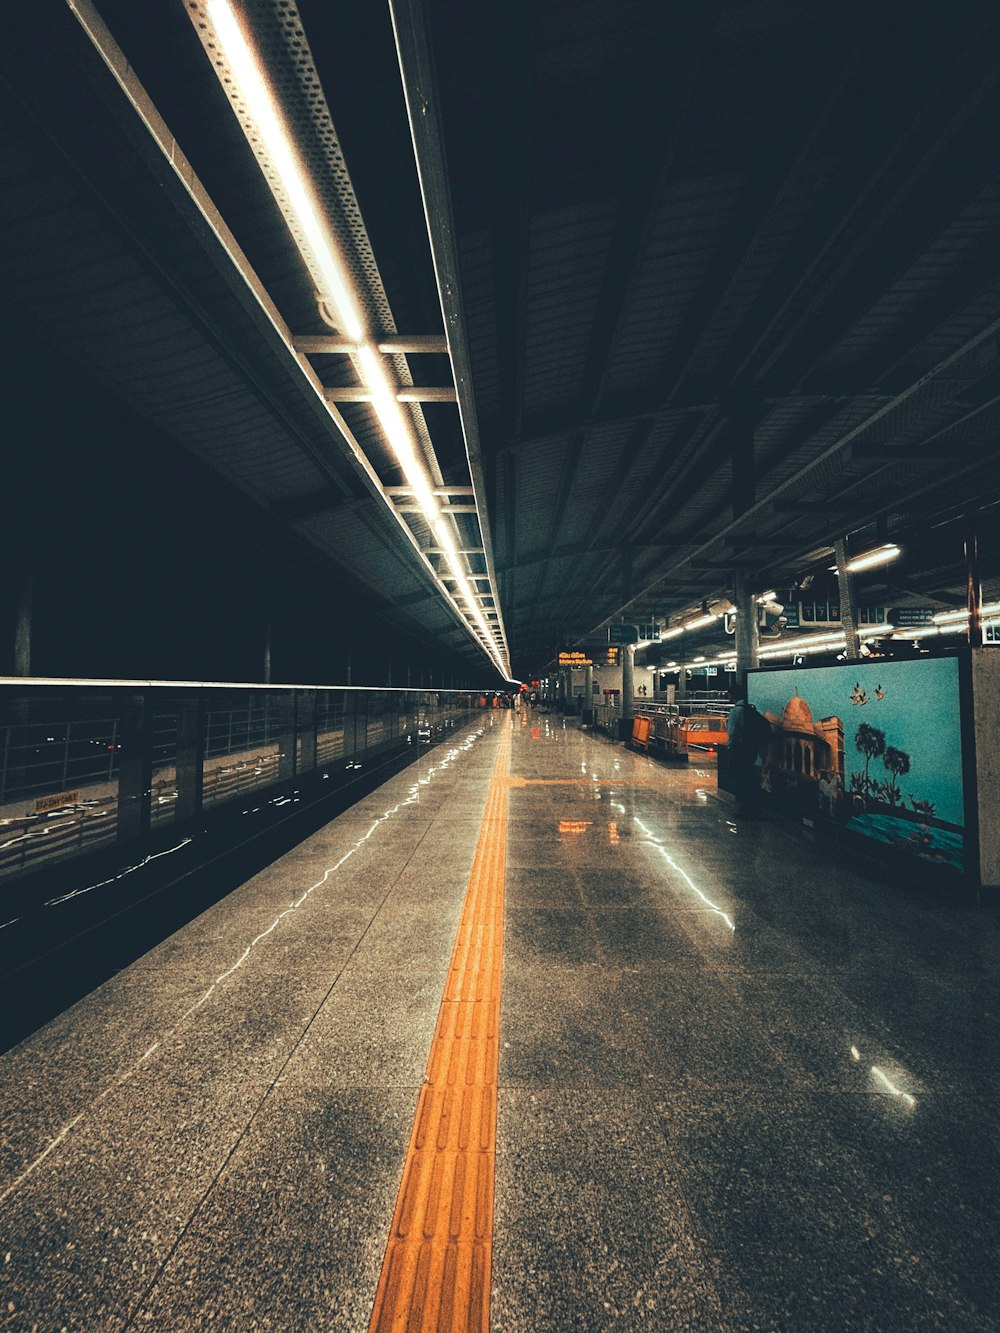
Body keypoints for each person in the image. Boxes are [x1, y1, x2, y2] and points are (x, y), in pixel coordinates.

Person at [725, 680, 764, 817]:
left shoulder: (736, 712)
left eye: (729, 695)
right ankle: (753, 806)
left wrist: (730, 747)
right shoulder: (750, 709)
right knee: (748, 775)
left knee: (739, 777)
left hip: (739, 749)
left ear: (733, 695)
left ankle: (746, 807)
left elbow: (732, 733)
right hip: (751, 748)